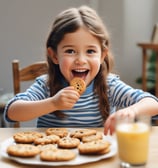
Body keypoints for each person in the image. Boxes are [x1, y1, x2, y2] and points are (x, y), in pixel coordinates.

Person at [4, 5, 158, 134]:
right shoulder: (46, 85)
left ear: (102, 55)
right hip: (53, 157)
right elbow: (12, 111)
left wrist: (131, 111)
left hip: (97, 158)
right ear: (54, 56)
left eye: (90, 51)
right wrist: (53, 103)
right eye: (70, 51)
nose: (81, 60)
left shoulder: (109, 85)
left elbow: (153, 103)